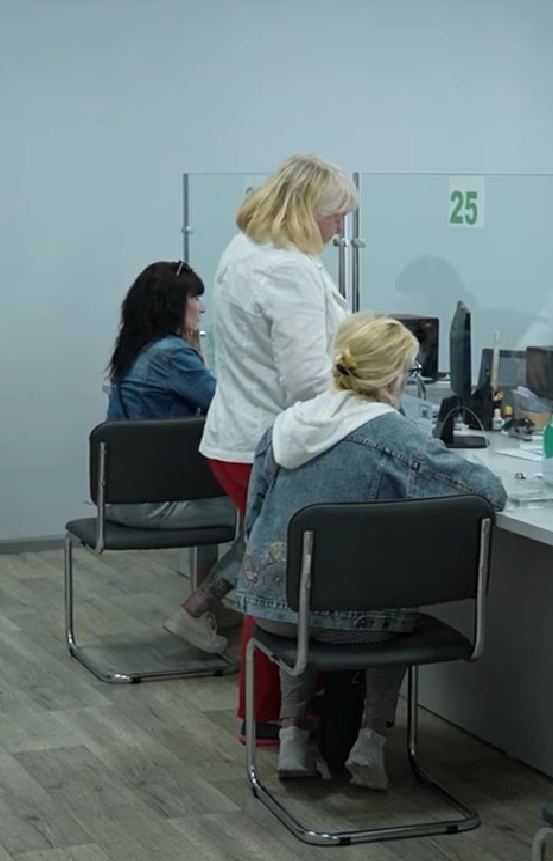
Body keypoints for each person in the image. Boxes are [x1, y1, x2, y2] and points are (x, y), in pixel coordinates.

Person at [237, 313, 506, 790]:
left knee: (304, 584)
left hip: (271, 611)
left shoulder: (285, 425)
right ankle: (371, 741)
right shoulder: (393, 434)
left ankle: (293, 735)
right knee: (392, 594)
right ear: (393, 377)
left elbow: (254, 517)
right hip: (357, 627)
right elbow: (488, 493)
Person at [199, 154, 357, 744]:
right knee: (282, 586)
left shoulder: (246, 249)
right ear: (307, 211)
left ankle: (273, 711)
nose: (339, 229)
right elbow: (307, 381)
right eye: (335, 216)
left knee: (273, 576)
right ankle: (270, 715)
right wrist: (367, 391)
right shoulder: (286, 269)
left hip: (241, 438)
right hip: (274, 445)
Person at [105, 261, 241, 654]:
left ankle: (211, 606)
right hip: (154, 504)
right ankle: (195, 610)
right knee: (267, 522)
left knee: (216, 491)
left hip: (120, 497)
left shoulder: (134, 350)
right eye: (194, 297)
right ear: (172, 303)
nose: (201, 306)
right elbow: (224, 406)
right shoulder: (171, 354)